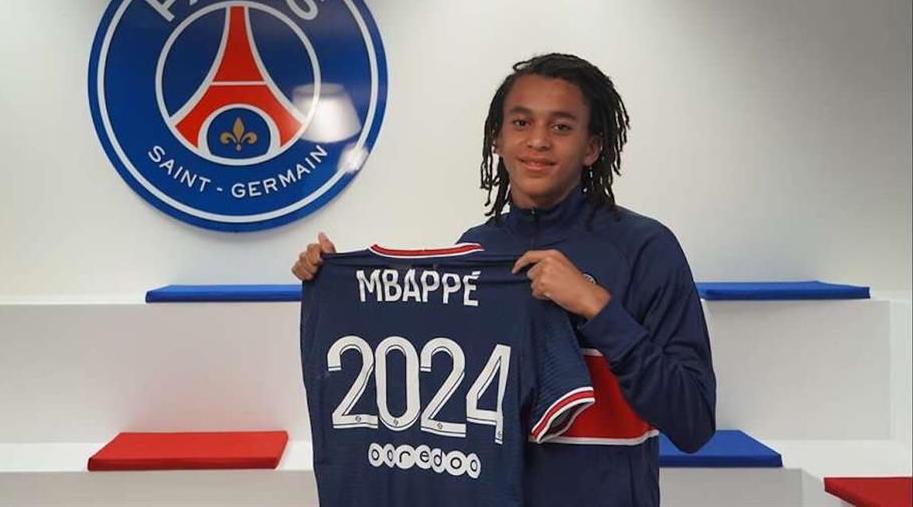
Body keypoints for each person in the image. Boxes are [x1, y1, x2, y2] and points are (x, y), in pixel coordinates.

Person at [292, 53, 716, 507]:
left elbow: (693, 422)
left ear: (592, 147)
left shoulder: (645, 249)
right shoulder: (475, 252)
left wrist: (596, 307)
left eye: (561, 127)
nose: (538, 141)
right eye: (521, 123)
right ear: (497, 138)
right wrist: (335, 285)